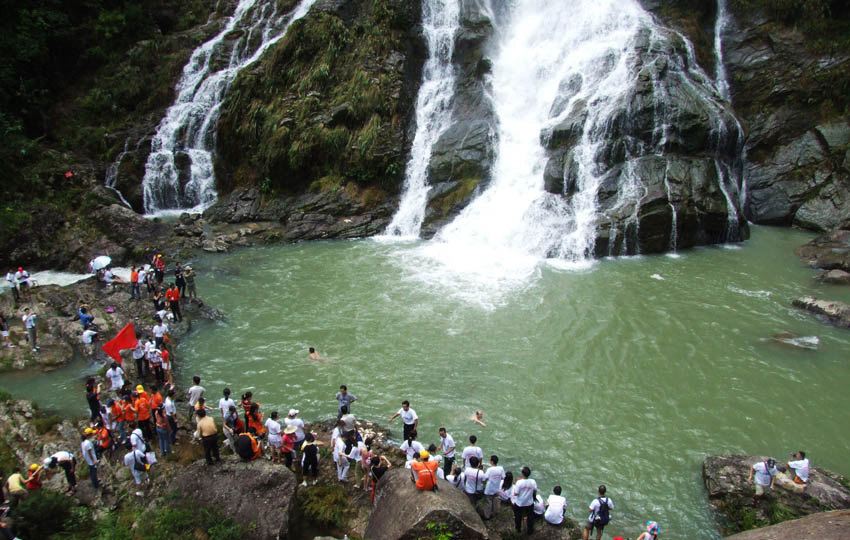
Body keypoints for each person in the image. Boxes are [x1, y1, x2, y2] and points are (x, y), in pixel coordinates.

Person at [513, 466, 538, 535]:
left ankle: (518, 529)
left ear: (522, 473)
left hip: (520, 503)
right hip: (529, 502)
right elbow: (535, 490)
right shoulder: (533, 481)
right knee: (530, 517)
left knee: (518, 516)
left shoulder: (519, 483)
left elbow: (516, 493)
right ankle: (530, 530)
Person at [482, 455, 505, 519]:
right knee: (495, 501)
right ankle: (494, 514)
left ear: (492, 461)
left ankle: (487, 516)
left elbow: (484, 478)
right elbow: (503, 477)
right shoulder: (501, 468)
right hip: (496, 488)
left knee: (488, 503)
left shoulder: (490, 469)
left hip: (489, 489)